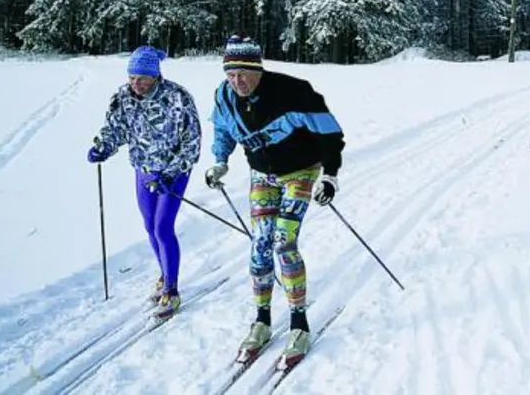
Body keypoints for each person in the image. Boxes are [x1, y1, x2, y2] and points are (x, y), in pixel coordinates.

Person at [204, 36, 345, 369]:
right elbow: (222, 130)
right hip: (262, 176)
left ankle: (299, 325)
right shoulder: (224, 97)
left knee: (284, 243)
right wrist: (220, 160)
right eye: (230, 74)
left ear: (258, 69)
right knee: (260, 245)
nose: (237, 82)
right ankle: (262, 321)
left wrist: (330, 175)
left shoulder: (293, 92)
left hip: (300, 171)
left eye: (243, 74)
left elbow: (330, 134)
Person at [86, 45, 202, 319]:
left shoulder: (177, 96)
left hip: (173, 172)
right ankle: (164, 274)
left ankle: (172, 292)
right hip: (144, 170)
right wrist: (104, 146)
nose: (135, 83)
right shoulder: (123, 96)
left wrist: (173, 170)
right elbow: (116, 127)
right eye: (131, 77)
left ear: (155, 75)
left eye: (142, 78)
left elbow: (192, 140)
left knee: (163, 228)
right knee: (149, 226)